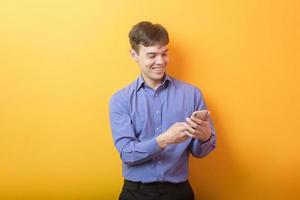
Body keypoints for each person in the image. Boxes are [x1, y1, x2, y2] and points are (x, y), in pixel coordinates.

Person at [109, 21, 216, 200]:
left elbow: (200, 152)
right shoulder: (120, 100)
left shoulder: (192, 94)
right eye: (152, 55)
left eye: (164, 53)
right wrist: (165, 139)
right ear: (134, 55)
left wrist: (205, 137)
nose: (160, 61)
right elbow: (127, 153)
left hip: (179, 192)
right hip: (136, 193)